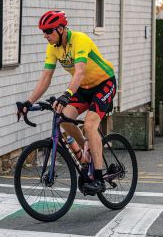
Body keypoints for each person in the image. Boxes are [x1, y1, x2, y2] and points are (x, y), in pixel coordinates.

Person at [17, 11, 116, 194]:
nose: (45, 35)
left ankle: (100, 177)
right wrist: (29, 102)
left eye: (48, 31)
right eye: (43, 32)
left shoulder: (79, 40)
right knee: (63, 118)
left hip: (104, 83)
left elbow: (79, 72)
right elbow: (46, 78)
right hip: (84, 88)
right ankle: (86, 157)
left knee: (89, 125)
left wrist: (66, 94)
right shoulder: (53, 47)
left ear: (61, 29)